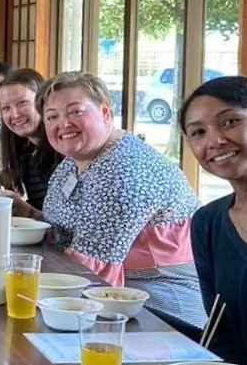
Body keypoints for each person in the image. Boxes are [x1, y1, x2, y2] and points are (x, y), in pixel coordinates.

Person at [41, 71, 204, 325]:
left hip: (158, 308)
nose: (63, 123)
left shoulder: (123, 170)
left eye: (75, 111)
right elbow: (62, 228)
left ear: (105, 112)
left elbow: (91, 272)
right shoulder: (78, 160)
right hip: (110, 297)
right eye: (52, 116)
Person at [180, 76, 247, 363]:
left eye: (230, 122)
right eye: (198, 133)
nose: (215, 141)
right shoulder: (207, 223)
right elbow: (222, 332)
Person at [0, 68, 61, 217]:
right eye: (6, 108)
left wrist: (28, 211)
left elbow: (63, 226)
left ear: (43, 102)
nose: (15, 114)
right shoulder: (26, 153)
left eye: (22, 103)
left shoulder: (64, 152)